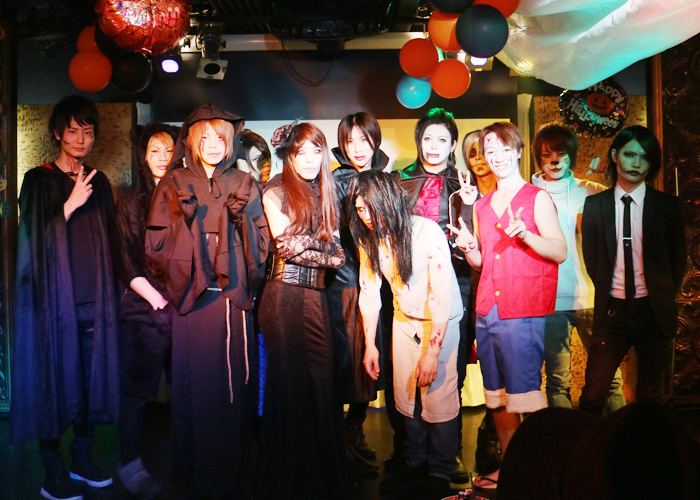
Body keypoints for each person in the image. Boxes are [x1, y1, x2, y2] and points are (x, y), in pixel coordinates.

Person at [146, 103, 270, 498]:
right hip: (193, 301)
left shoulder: (244, 183)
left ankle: (232, 472)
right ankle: (194, 472)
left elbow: (262, 245)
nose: (213, 144)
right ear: (192, 141)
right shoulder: (175, 182)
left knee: (233, 389)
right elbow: (156, 243)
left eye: (220, 137)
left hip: (232, 301)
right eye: (205, 137)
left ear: (230, 141)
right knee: (195, 388)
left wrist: (240, 225)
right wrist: (188, 231)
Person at [10, 95, 119, 500]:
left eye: (87, 132)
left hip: (95, 302)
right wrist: (69, 206)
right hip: (53, 306)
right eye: (72, 131)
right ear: (58, 133)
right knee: (54, 385)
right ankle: (52, 471)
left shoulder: (99, 181)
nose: (80, 139)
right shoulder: (38, 180)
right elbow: (31, 244)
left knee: (90, 384)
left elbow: (109, 240)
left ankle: (82, 459)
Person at [449, 121, 567, 490]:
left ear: (517, 151)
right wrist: (469, 247)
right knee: (497, 398)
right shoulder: (482, 205)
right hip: (488, 309)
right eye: (490, 150)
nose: (496, 156)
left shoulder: (537, 198)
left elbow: (559, 251)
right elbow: (482, 263)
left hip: (522, 308)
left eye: (503, 148)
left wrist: (527, 234)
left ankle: (541, 473)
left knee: (526, 397)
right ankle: (513, 469)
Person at [351, 170, 463, 499]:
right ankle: (414, 464)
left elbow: (441, 297)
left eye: (370, 207)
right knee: (405, 395)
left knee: (439, 397)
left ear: (387, 200)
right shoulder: (369, 239)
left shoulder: (426, 232)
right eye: (359, 209)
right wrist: (370, 345)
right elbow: (369, 292)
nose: (365, 216)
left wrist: (432, 352)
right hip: (403, 320)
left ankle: (439, 472)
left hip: (439, 322)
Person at [257, 122, 347, 499]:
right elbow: (288, 248)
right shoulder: (275, 189)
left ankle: (320, 478)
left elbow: (339, 254)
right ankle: (288, 481)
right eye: (301, 153)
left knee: (321, 384)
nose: (310, 160)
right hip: (284, 298)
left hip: (316, 297)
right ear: (289, 157)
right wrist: (325, 249)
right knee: (291, 386)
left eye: (316, 152)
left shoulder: (326, 191)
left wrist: (318, 247)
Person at [579, 125, 686, 414]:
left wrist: (661, 296)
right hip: (611, 313)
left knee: (651, 396)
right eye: (629, 154)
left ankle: (646, 443)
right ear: (615, 156)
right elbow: (593, 260)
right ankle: (589, 444)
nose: (636, 163)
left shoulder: (666, 207)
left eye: (644, 157)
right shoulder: (595, 205)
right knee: (593, 394)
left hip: (653, 312)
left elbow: (677, 260)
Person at [393, 108, 474, 483]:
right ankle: (410, 452)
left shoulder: (464, 182)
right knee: (406, 373)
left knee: (450, 369)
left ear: (453, 144)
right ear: (419, 141)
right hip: (409, 282)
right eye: (428, 138)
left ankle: (447, 453)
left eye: (443, 139)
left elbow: (475, 235)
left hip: (456, 279)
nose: (434, 146)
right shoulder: (400, 179)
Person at [531, 122, 627, 413]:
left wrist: (609, 174)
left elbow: (629, 200)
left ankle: (623, 436)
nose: (555, 160)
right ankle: (563, 439)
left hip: (591, 296)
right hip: (549, 299)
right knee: (556, 381)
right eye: (547, 154)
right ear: (538, 158)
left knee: (610, 377)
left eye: (561, 153)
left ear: (571, 154)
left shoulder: (591, 190)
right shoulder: (528, 193)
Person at [111, 123, 179, 499]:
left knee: (185, 388)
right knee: (136, 391)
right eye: (154, 150)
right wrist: (155, 299)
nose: (161, 157)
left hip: (183, 308)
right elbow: (124, 259)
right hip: (143, 308)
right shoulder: (129, 202)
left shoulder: (185, 196)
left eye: (168, 150)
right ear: (143, 155)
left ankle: (188, 459)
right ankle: (129, 465)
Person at [327, 112, 389, 473]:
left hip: (379, 284)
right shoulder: (335, 180)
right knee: (345, 365)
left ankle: (355, 430)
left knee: (370, 365)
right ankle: (341, 443)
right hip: (344, 284)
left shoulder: (384, 177)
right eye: (350, 141)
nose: (358, 148)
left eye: (364, 140)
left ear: (374, 140)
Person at [461, 129, 502, 476]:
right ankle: (451, 447)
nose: (478, 158)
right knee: (459, 363)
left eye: (482, 150)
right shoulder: (461, 195)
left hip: (502, 289)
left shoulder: (508, 193)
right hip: (464, 286)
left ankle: (493, 436)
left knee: (499, 367)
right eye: (471, 152)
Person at [462, 129, 496, 196]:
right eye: (472, 153)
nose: (477, 157)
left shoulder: (511, 193)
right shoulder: (462, 196)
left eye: (482, 151)